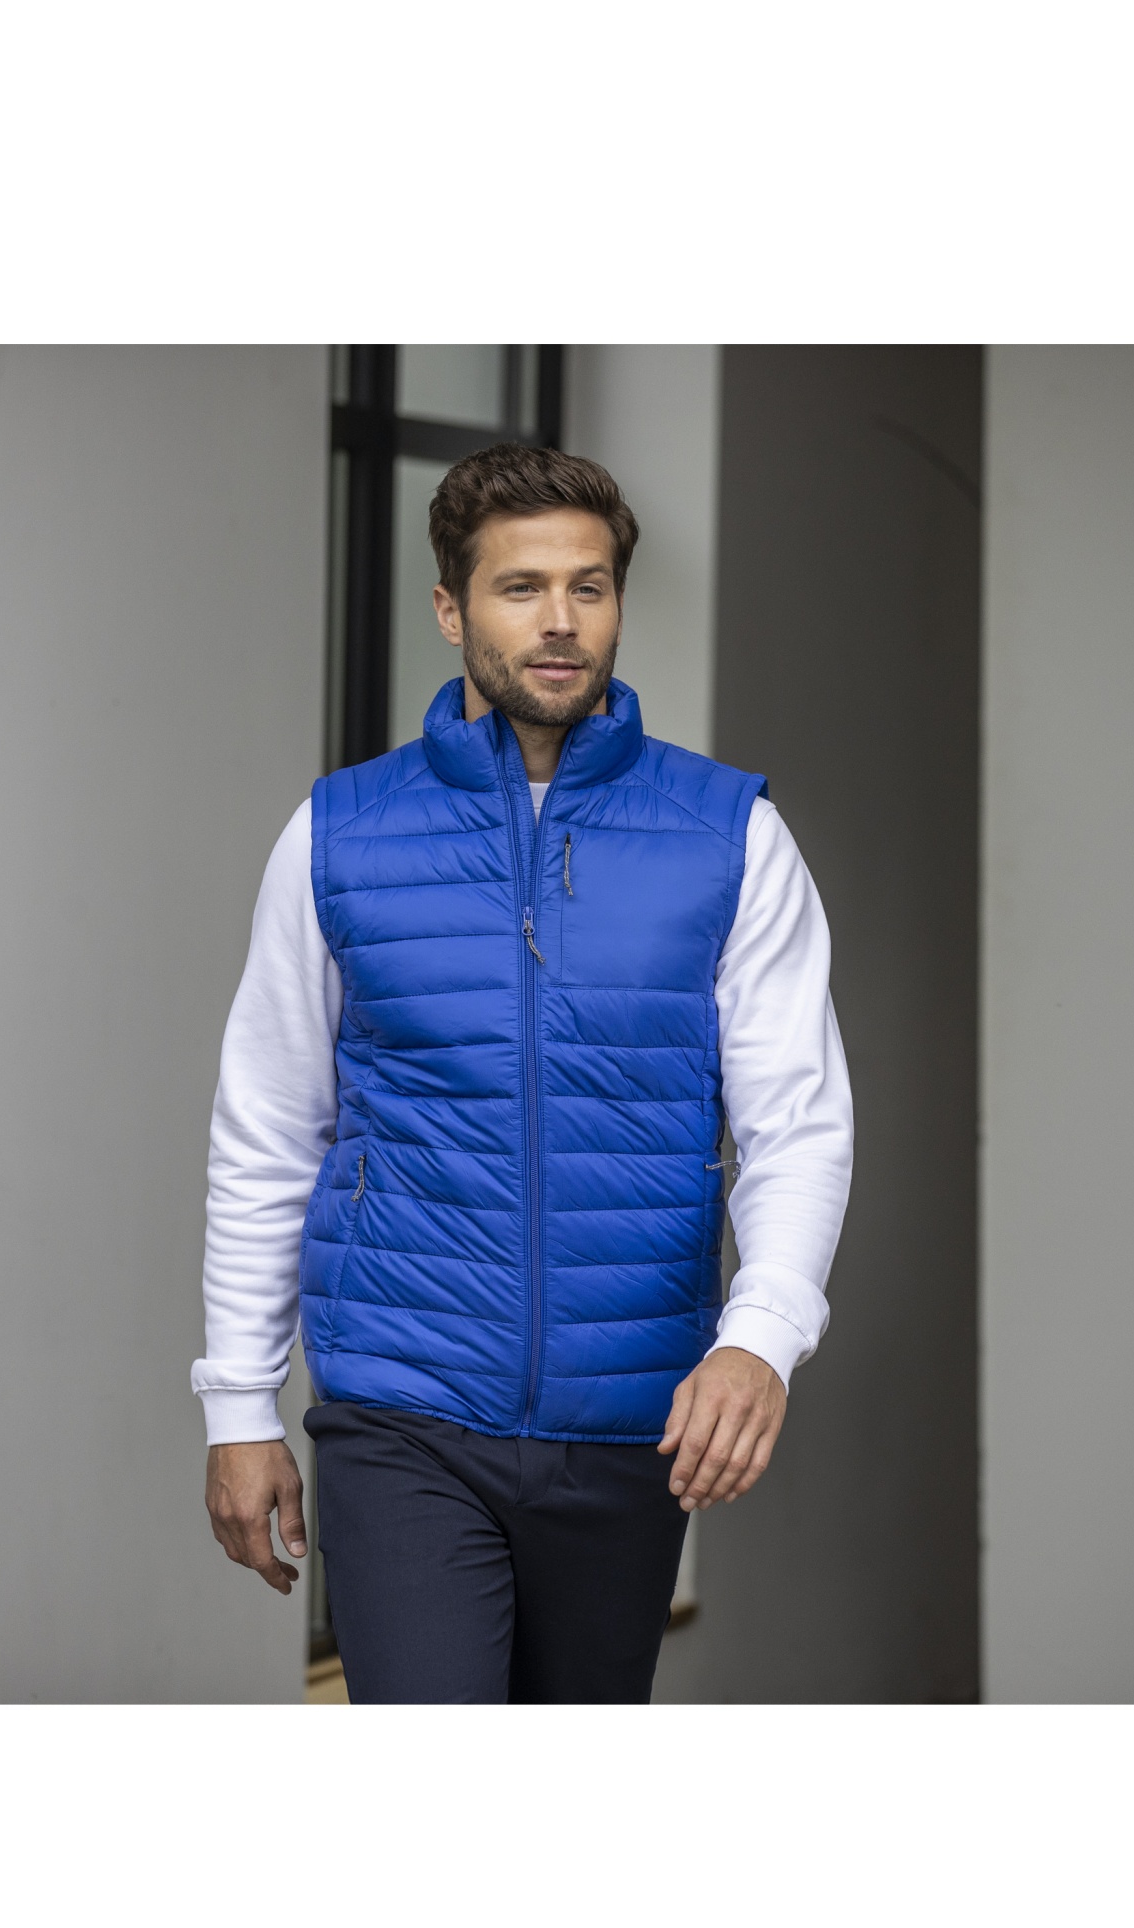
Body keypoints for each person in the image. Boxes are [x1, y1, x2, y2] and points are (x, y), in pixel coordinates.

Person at [192, 442, 852, 1702]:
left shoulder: (730, 837)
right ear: (450, 609)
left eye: (587, 587)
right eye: (520, 586)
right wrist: (238, 1401)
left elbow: (798, 1122)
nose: (559, 620)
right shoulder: (338, 834)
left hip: (630, 1420)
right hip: (401, 1409)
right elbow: (268, 1126)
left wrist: (760, 1337)